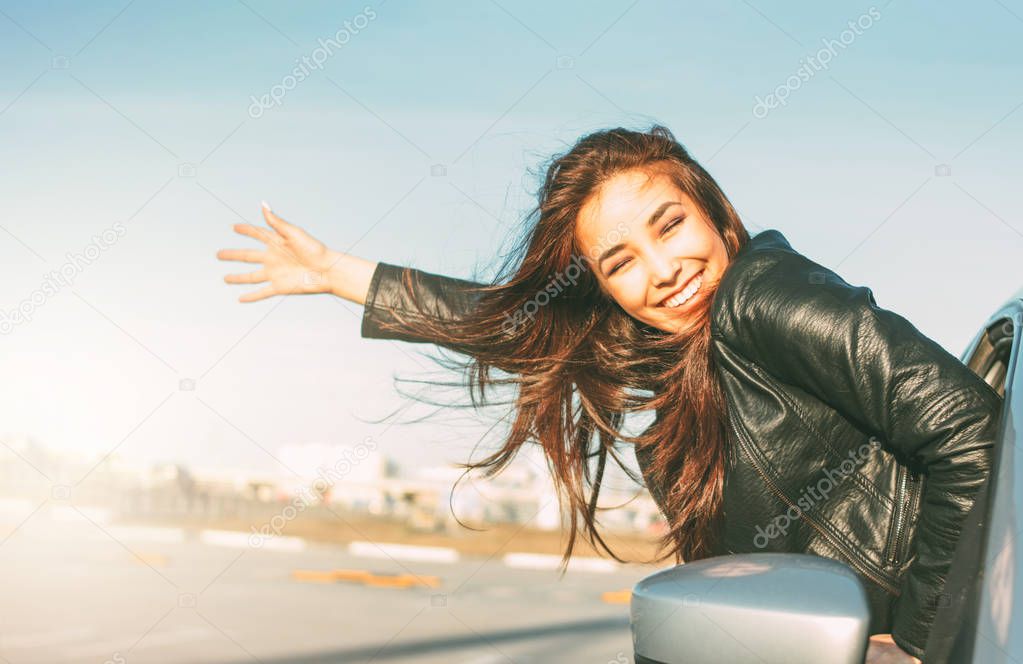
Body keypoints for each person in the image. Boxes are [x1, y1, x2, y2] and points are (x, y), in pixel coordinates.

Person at [217, 125, 1002, 663]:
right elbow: (523, 327)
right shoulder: (685, 352)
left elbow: (967, 429)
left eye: (670, 225)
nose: (661, 270)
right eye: (620, 262)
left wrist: (916, 644)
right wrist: (336, 277)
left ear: (719, 220)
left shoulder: (762, 300)